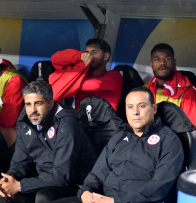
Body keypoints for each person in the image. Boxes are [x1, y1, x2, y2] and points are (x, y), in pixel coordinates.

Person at [52, 86, 184, 203]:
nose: (135, 112)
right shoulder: (119, 137)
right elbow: (96, 175)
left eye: (142, 106)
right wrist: (86, 192)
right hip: (102, 198)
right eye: (130, 107)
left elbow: (159, 187)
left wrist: (115, 201)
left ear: (154, 109)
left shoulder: (169, 140)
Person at [0, 81, 97, 203]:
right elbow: (19, 163)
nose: (32, 110)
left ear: (50, 103)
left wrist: (20, 186)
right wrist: (9, 180)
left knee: (43, 196)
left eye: (38, 103)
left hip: (73, 183)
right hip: (41, 179)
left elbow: (61, 176)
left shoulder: (67, 124)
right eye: (28, 104)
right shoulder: (25, 122)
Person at [49, 38, 123, 111]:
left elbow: (97, 85)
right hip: (80, 121)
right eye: (87, 53)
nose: (89, 56)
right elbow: (55, 59)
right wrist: (79, 55)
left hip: (104, 122)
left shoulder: (115, 76)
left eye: (94, 52)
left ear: (106, 56)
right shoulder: (81, 75)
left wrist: (66, 81)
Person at [146, 43, 196, 126]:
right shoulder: (145, 88)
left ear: (174, 62)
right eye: (157, 60)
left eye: (167, 59)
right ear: (151, 64)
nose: (162, 63)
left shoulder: (188, 94)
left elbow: (193, 134)